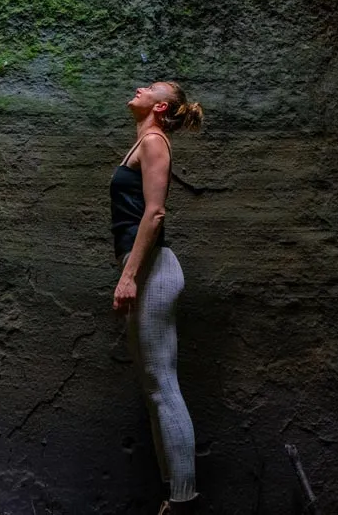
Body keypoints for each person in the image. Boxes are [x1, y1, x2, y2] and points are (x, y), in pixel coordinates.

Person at [111, 79, 207, 513]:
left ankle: (183, 499)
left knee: (163, 386)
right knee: (155, 388)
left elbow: (154, 212)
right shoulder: (145, 141)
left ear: (162, 106)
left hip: (153, 273)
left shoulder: (154, 141)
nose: (139, 88)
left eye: (149, 88)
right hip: (146, 271)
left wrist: (129, 275)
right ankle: (174, 493)